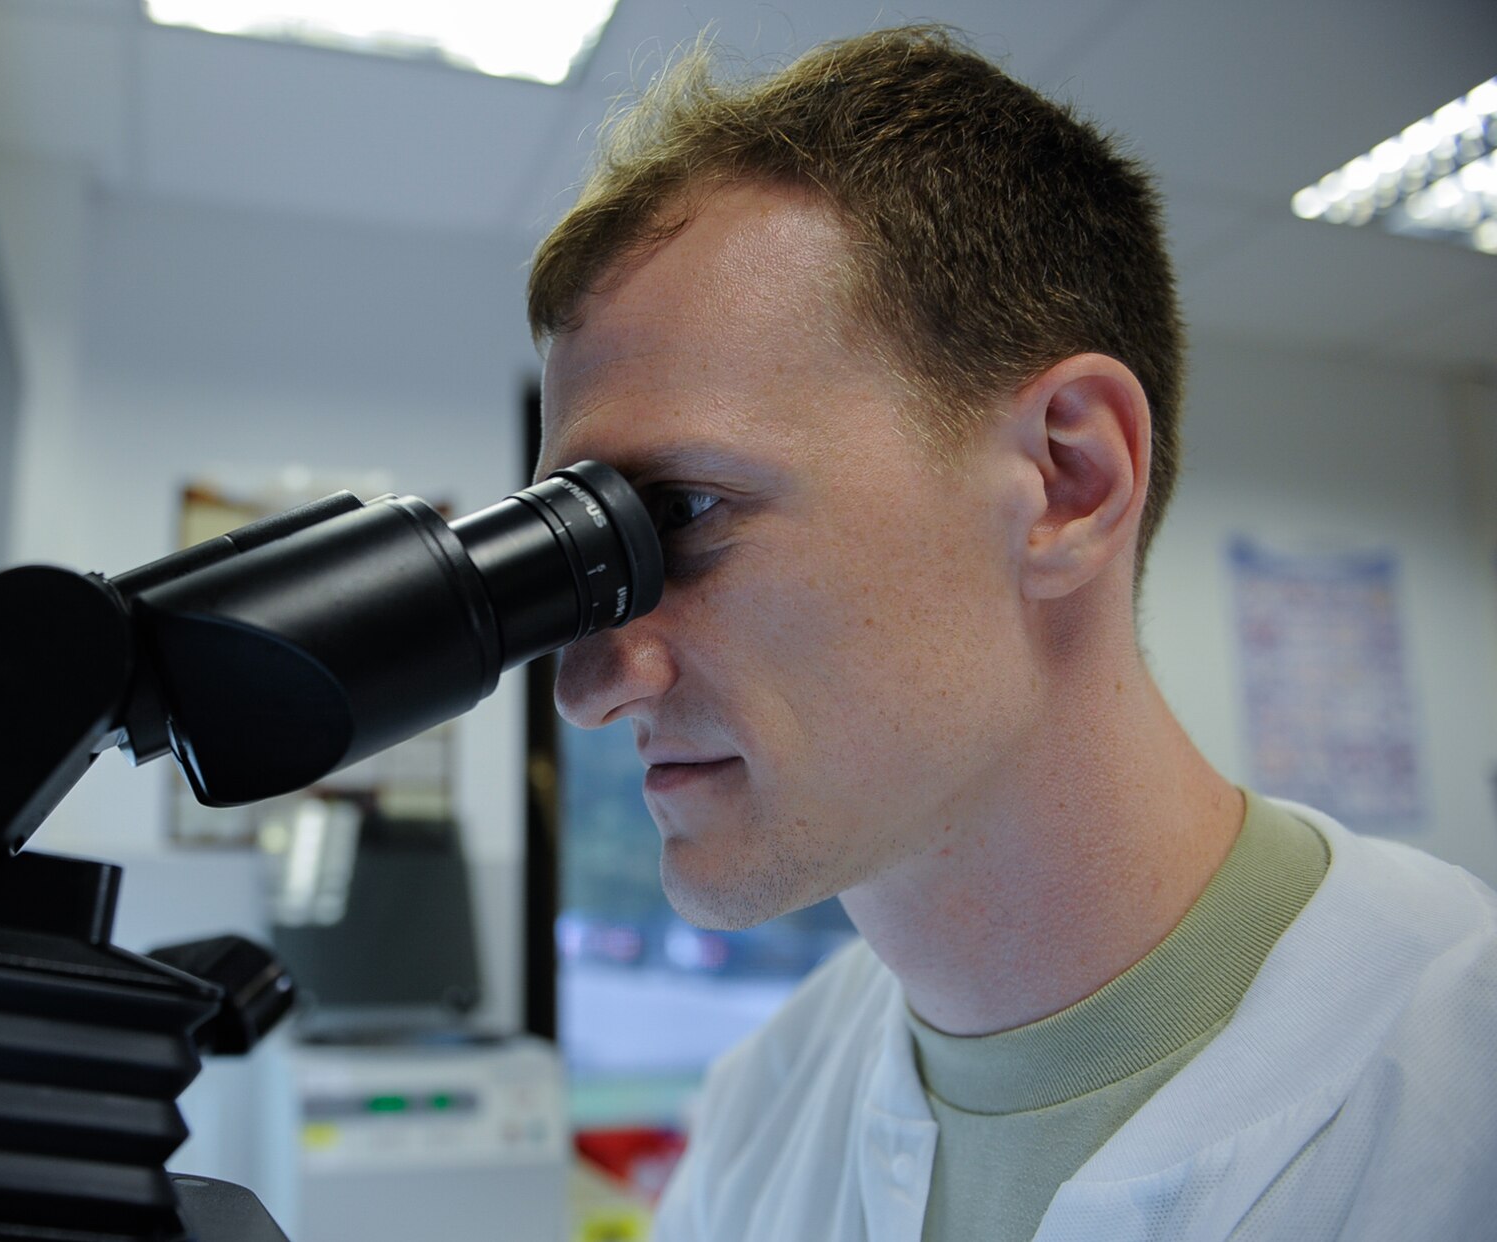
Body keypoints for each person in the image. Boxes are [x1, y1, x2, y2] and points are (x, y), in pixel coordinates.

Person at [529, 26, 1497, 1242]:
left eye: (679, 513)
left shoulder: (1461, 1096)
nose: (588, 685)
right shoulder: (761, 1112)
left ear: (1065, 482)